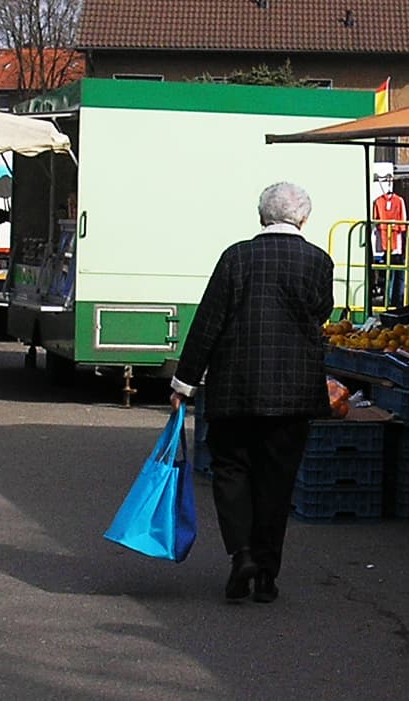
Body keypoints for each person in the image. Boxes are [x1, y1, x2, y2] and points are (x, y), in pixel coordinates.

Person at [169, 182, 333, 604]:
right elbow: (321, 313)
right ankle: (266, 575)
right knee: (276, 482)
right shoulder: (319, 262)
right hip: (294, 394)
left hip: (234, 390)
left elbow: (208, 322)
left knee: (231, 471)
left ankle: (241, 554)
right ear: (303, 219)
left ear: (261, 215)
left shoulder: (235, 257)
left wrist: (184, 384)